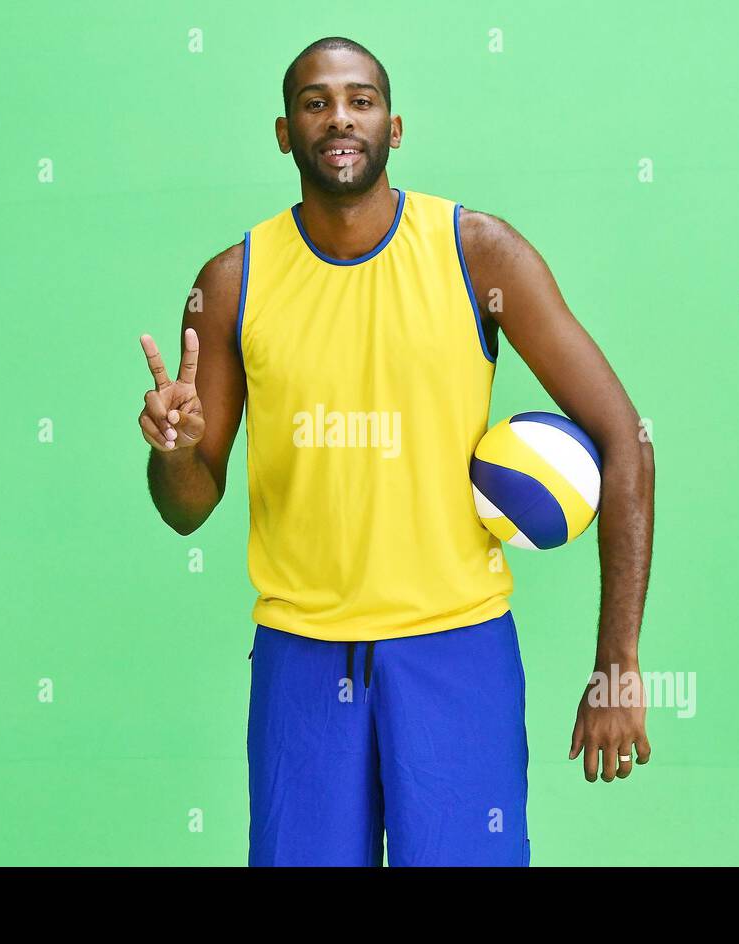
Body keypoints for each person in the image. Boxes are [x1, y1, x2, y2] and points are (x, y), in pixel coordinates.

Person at [139, 36, 654, 866]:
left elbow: (625, 441)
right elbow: (189, 508)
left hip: (458, 655)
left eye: (360, 99)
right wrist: (175, 449)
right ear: (283, 131)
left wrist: (617, 665)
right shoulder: (232, 283)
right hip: (301, 660)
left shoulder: (478, 253)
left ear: (394, 125)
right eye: (316, 102)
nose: (339, 116)